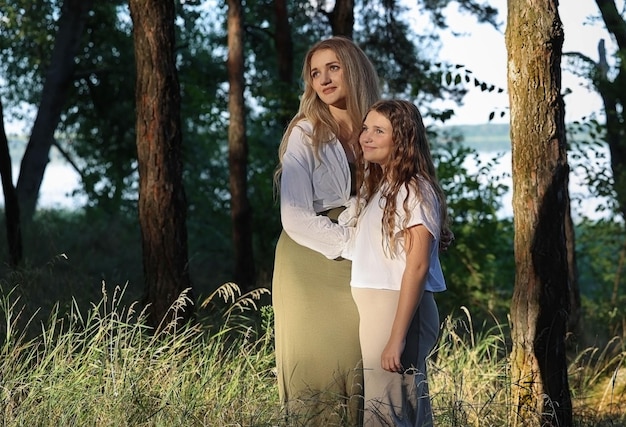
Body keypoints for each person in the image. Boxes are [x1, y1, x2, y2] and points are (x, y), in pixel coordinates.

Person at [272, 36, 380, 426]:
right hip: (309, 261)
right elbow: (295, 216)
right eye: (315, 73)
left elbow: (404, 188)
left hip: (366, 260)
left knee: (364, 363)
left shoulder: (379, 127)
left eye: (333, 67)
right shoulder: (306, 132)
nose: (324, 79)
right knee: (321, 369)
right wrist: (354, 244)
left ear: (354, 69)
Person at [349, 99, 451, 426]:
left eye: (379, 131)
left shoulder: (412, 189)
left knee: (386, 414)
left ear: (402, 140)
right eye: (366, 128)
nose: (367, 136)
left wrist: (397, 336)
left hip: (397, 311)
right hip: (380, 310)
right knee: (396, 411)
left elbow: (418, 266)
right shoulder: (387, 186)